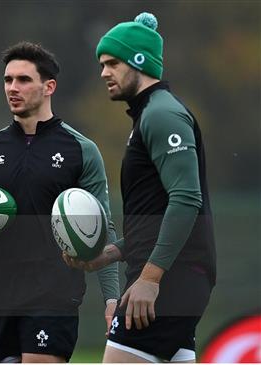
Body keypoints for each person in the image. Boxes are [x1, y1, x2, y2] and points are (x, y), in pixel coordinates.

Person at [0, 41, 120, 363]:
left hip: (54, 294)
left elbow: (101, 227)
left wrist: (112, 298)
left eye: (23, 79)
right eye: (8, 80)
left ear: (48, 86)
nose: (13, 87)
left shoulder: (81, 150)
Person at [63, 12, 217, 363]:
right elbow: (159, 217)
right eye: (102, 64)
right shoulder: (147, 116)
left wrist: (150, 277)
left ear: (138, 61)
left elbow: (185, 200)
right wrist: (109, 254)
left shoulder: (162, 114)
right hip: (173, 280)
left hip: (169, 281)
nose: (104, 73)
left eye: (112, 63)